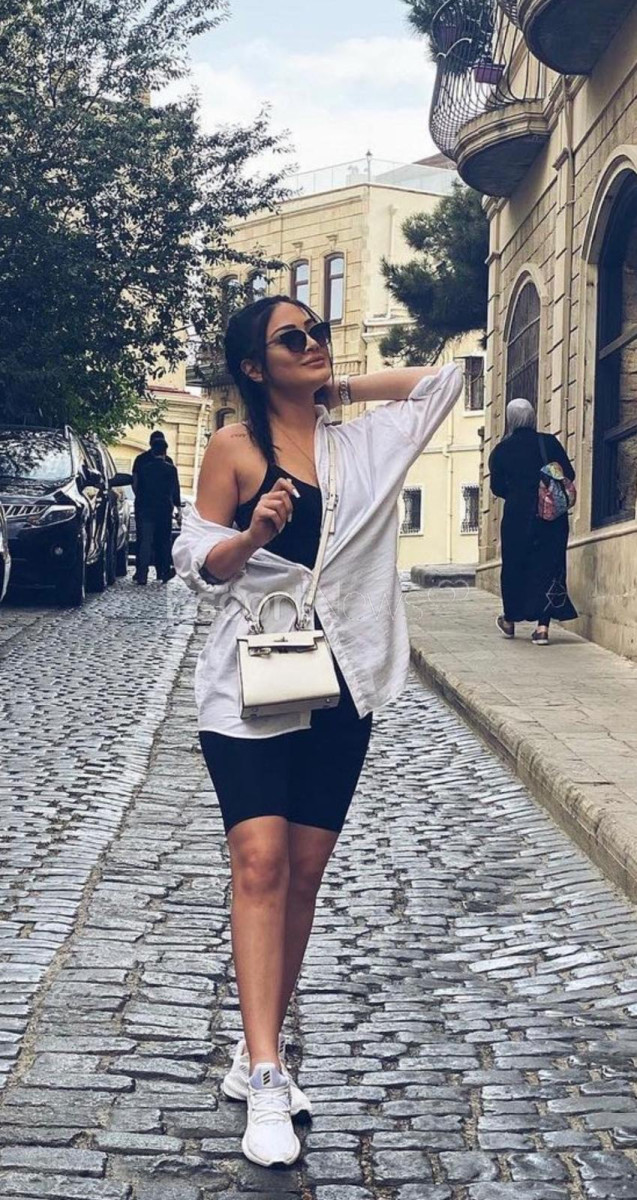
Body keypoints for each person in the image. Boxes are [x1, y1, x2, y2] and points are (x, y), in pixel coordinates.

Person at [173, 295, 463, 1169]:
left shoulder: (362, 443)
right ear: (252, 367)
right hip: (250, 685)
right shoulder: (234, 448)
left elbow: (442, 381)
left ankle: (254, 1044)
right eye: (291, 339)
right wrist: (253, 533)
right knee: (259, 862)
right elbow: (197, 564)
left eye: (317, 334)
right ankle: (268, 1073)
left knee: (302, 873)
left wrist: (338, 390)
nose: (313, 345)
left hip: (344, 683)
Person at [488, 397, 577, 645]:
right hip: (550, 517)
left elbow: (497, 487)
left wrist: (517, 493)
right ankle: (542, 628)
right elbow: (568, 474)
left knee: (514, 565)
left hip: (517, 517)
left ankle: (510, 619)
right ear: (532, 417)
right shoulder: (548, 443)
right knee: (548, 566)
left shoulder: (501, 450)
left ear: (510, 420)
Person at [134, 436, 181, 585]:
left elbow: (137, 487)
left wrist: (140, 502)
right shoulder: (171, 469)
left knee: (145, 542)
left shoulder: (144, 468)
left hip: (146, 508)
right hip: (164, 510)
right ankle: (164, 572)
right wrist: (178, 508)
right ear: (165, 452)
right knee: (164, 541)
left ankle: (142, 574)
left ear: (152, 450)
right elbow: (175, 490)